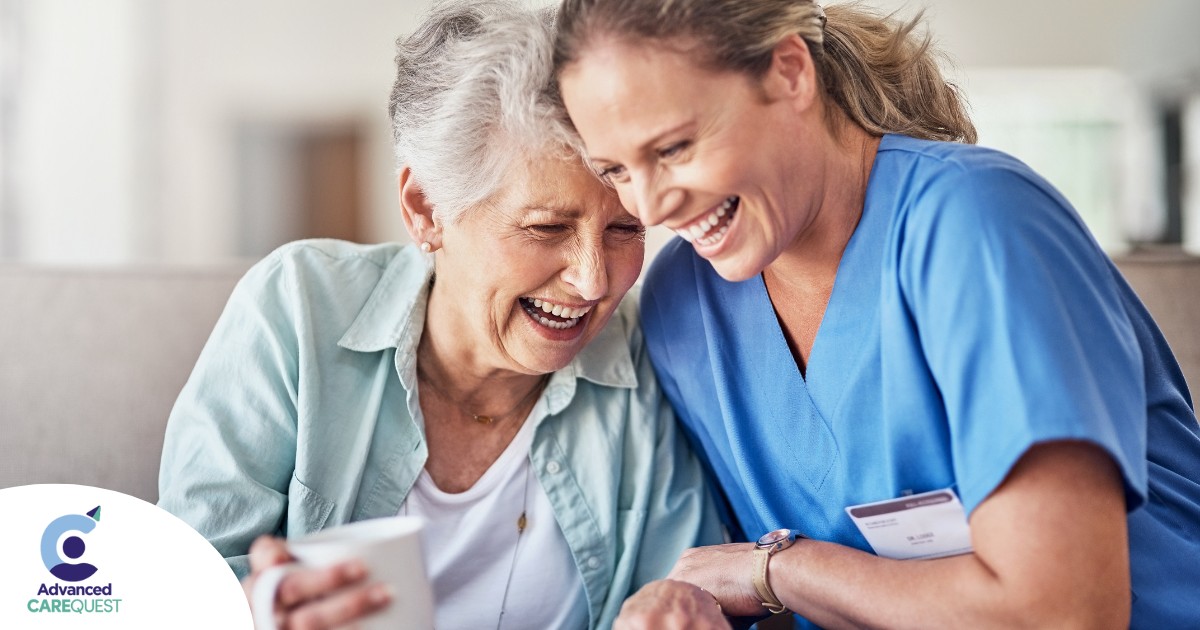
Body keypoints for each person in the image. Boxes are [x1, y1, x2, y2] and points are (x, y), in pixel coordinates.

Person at [552, 1, 1200, 628]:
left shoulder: (976, 223)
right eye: (616, 169)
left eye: (673, 148)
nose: (652, 206)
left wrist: (776, 571)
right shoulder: (685, 305)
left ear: (790, 72)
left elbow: (1064, 614)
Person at [157, 2, 721, 629]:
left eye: (625, 228)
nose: (594, 280)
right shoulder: (297, 306)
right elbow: (182, 584)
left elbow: (689, 581)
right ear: (426, 210)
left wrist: (685, 605)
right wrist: (257, 610)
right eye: (546, 228)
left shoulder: (643, 355)